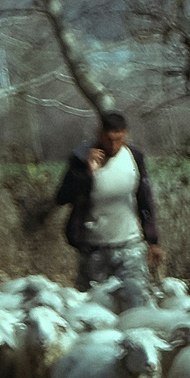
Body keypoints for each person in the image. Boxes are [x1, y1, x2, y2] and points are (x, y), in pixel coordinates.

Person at [53, 110, 164, 291]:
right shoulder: (81, 157)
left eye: (118, 140)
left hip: (130, 244)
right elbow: (62, 197)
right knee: (95, 305)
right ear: (99, 134)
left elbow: (145, 200)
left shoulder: (134, 157)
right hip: (93, 247)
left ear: (125, 135)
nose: (113, 145)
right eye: (108, 139)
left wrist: (153, 241)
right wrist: (86, 174)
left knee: (136, 297)